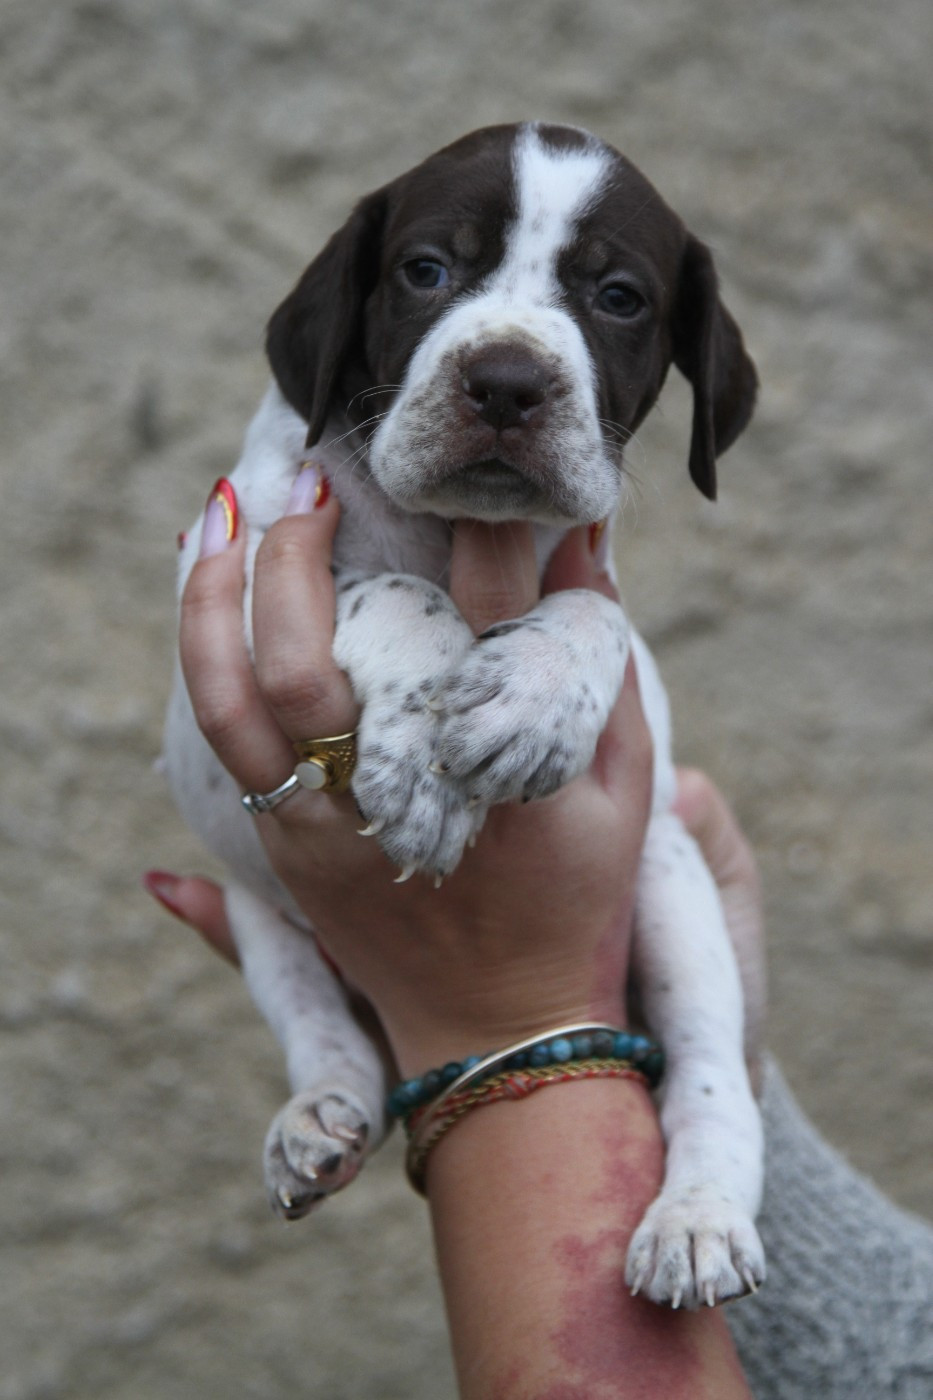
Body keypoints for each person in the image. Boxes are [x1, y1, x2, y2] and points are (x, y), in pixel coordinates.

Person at [147, 479, 933, 1399]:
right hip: (342, 920)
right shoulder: (309, 463)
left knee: (660, 844)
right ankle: (332, 1069)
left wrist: (505, 1011)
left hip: (560, 944)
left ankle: (717, 1168)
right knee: (262, 900)